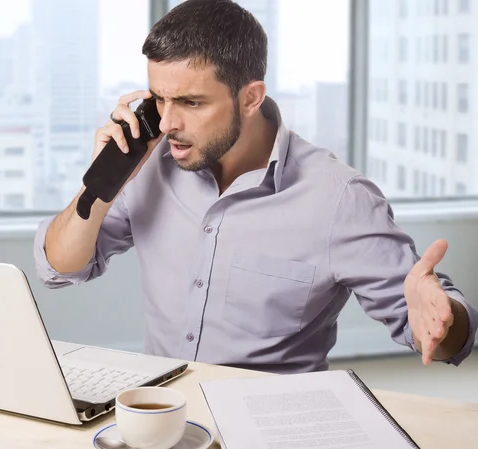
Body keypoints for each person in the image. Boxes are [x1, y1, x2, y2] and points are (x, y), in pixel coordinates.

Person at [34, 0, 478, 374]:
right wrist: (105, 181)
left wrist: (442, 320)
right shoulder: (149, 164)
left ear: (250, 98)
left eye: (191, 102)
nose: (168, 123)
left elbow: (445, 339)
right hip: (166, 419)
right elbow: (61, 268)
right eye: (159, 99)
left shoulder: (338, 199)